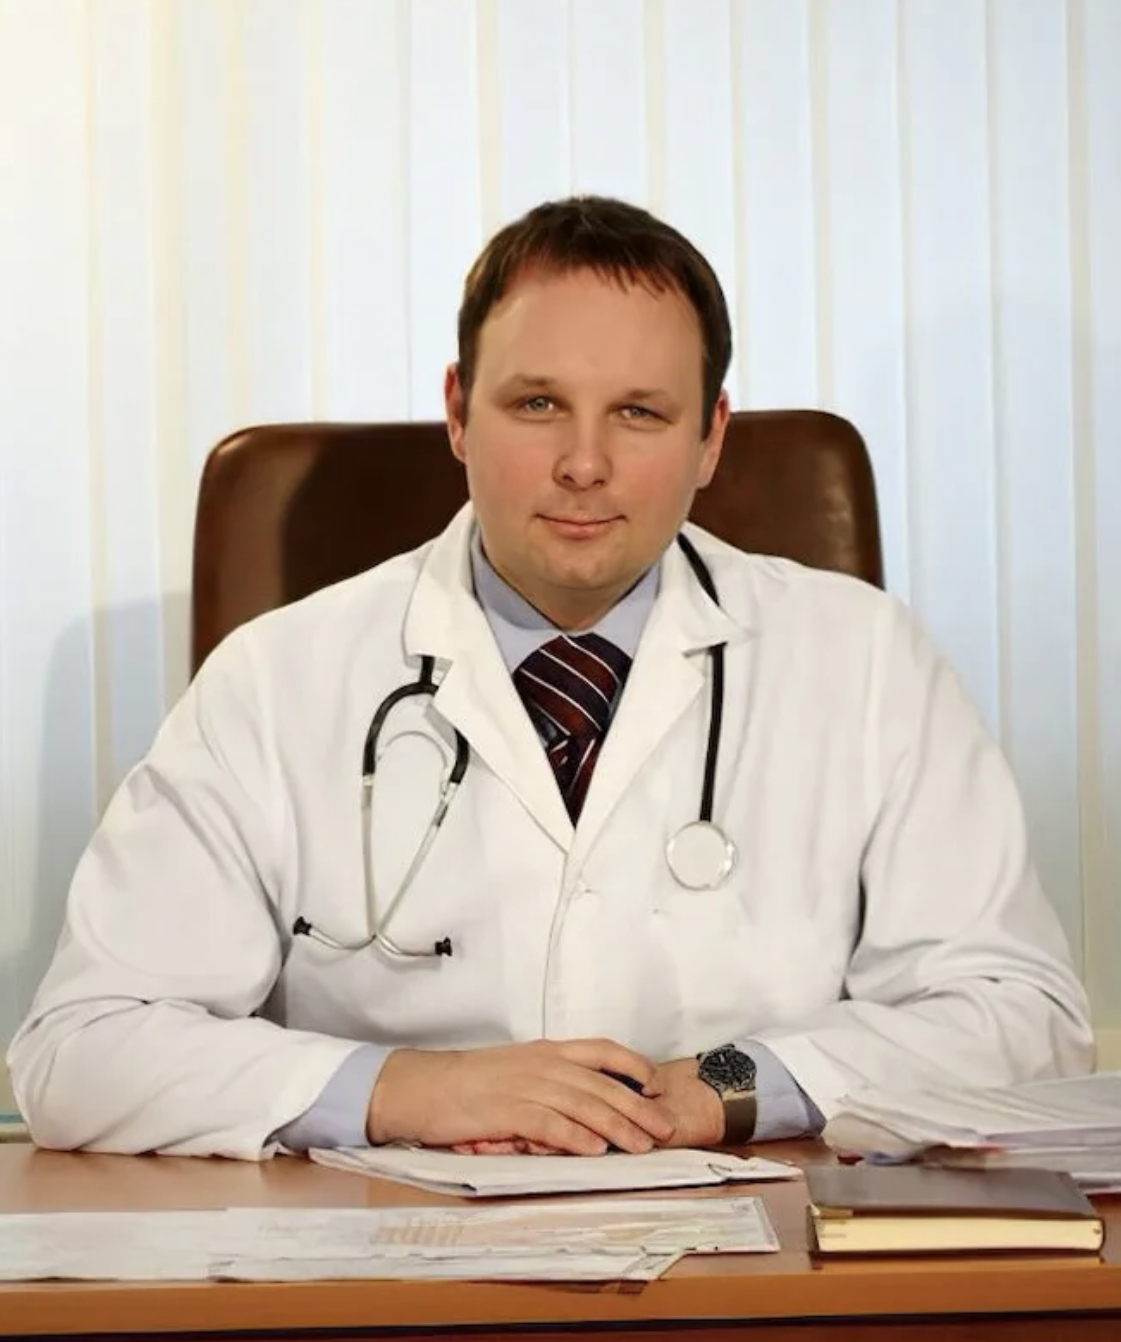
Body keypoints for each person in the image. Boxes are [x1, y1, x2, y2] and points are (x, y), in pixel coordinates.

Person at [7, 196, 1093, 1161]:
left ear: (710, 438)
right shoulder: (277, 678)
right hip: (382, 1267)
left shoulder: (863, 663)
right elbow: (81, 1049)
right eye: (536, 404)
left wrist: (726, 1086)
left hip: (757, 1262)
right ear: (456, 411)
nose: (583, 463)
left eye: (639, 412)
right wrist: (406, 1090)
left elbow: (1020, 1014)